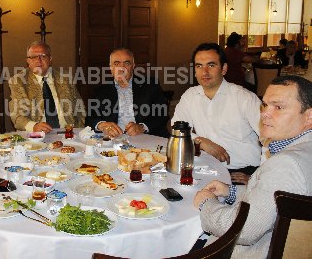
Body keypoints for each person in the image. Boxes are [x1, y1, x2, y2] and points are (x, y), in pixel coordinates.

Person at [193, 75, 312, 258]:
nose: (264, 113)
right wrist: (231, 192)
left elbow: (243, 231)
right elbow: (278, 201)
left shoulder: (286, 164)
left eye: (278, 107)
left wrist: (206, 202)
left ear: (309, 116)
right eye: (265, 105)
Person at [172, 43, 262, 184]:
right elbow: (176, 129)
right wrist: (201, 142)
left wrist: (259, 178)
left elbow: (272, 139)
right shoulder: (190, 96)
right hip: (208, 168)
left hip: (242, 170)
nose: (204, 72)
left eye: (211, 65)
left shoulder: (244, 98)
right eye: (199, 66)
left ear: (224, 69)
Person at [85, 47, 169, 138]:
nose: (122, 68)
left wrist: (142, 127)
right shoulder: (101, 91)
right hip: (114, 140)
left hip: (146, 137)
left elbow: (162, 114)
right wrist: (102, 125)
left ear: (133, 66)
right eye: (116, 63)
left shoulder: (150, 85)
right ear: (111, 68)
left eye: (126, 63)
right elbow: (90, 119)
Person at [8, 41, 86, 133]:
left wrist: (77, 130)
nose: (38, 60)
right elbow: (17, 117)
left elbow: (80, 108)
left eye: (43, 56)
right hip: (35, 137)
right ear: (28, 61)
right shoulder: (18, 81)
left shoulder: (65, 78)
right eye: (33, 57)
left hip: (68, 134)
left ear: (50, 59)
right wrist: (34, 126)